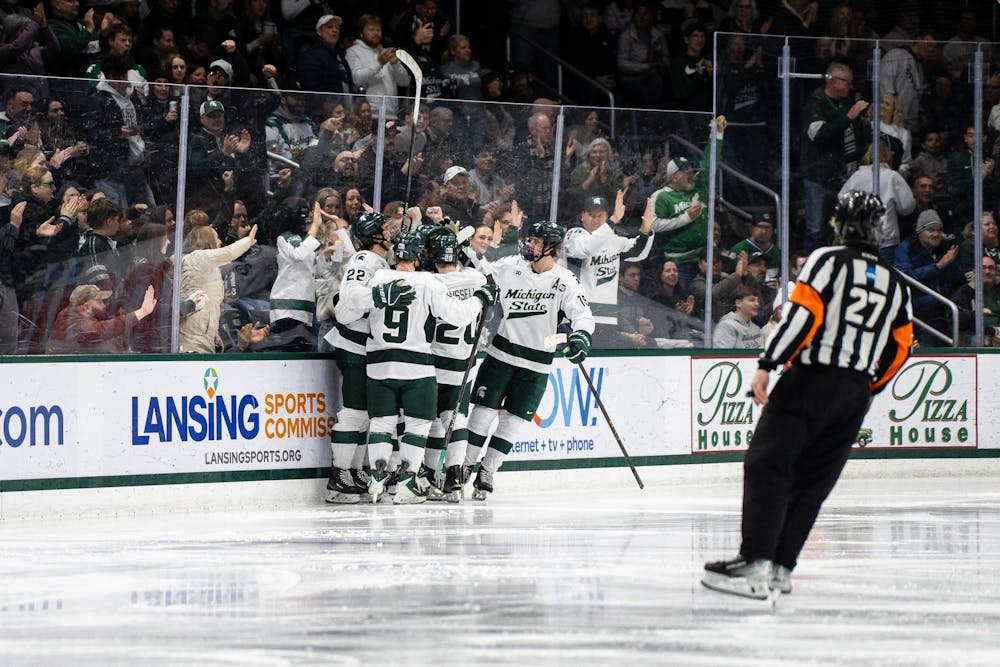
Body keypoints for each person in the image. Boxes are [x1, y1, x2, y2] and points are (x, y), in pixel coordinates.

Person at [702, 191, 913, 600]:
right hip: (853, 394)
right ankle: (781, 568)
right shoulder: (895, 282)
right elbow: (900, 346)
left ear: (839, 223)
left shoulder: (826, 260)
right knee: (813, 482)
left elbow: (804, 317)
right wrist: (870, 388)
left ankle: (756, 561)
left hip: (811, 378)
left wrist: (768, 363)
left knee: (767, 463)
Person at [350, 230, 496, 504]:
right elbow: (458, 314)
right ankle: (407, 485)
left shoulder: (379, 277)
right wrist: (481, 299)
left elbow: (350, 302)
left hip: (379, 364)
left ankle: (376, 483)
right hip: (417, 365)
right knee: (419, 425)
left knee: (382, 423)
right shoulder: (429, 282)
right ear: (419, 255)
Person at [463, 221, 595, 500]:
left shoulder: (565, 281)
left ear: (553, 249)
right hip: (501, 355)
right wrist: (466, 250)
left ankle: (487, 470)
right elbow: (482, 272)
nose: (530, 245)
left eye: (537, 241)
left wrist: (581, 338)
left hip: (536, 364)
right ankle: (464, 466)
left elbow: (583, 316)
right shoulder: (512, 266)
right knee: (482, 414)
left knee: (513, 421)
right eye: (530, 240)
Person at [324, 211, 398, 504]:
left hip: (369, 348)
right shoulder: (364, 260)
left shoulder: (381, 261)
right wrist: (382, 297)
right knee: (354, 413)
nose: (392, 231)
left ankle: (353, 471)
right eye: (386, 228)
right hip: (354, 346)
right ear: (375, 236)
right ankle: (338, 475)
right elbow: (352, 297)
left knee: (366, 416)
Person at [564, 194, 653, 348]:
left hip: (607, 316)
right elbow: (586, 248)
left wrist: (646, 230)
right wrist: (612, 221)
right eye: (591, 215)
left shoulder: (612, 239)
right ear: (582, 216)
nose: (596, 220)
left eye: (600, 216)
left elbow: (638, 252)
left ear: (605, 216)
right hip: (579, 315)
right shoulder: (575, 236)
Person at [800, 61, 869, 251]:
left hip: (844, 176)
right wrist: (849, 116)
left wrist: (863, 121)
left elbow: (852, 134)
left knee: (843, 228)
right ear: (834, 81)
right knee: (815, 228)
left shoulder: (845, 102)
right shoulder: (815, 103)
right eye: (847, 82)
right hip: (819, 177)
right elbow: (819, 135)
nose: (851, 87)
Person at [649, 115, 726, 280]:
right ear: (674, 177)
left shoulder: (697, 187)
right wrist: (685, 218)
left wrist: (717, 135)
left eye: (691, 170)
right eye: (686, 172)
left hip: (704, 259)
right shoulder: (661, 197)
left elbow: (708, 165)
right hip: (678, 262)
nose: (691, 174)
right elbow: (652, 225)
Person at [178, 223, 258, 353]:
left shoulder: (211, 268)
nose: (220, 241)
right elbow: (227, 253)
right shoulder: (196, 258)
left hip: (206, 335)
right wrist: (248, 241)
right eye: (217, 237)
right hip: (193, 337)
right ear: (207, 239)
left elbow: (214, 303)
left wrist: (215, 333)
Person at [894, 210, 965, 343]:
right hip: (914, 302)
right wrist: (938, 266)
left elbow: (960, 279)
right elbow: (904, 279)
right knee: (934, 303)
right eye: (931, 230)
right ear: (920, 231)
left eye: (939, 230)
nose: (936, 234)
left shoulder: (944, 248)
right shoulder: (905, 249)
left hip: (943, 303)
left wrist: (951, 262)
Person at [838, 139, 915, 264]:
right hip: (886, 239)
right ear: (889, 154)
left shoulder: (856, 176)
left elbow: (842, 200)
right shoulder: (892, 176)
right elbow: (907, 207)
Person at [46, 283, 157, 354]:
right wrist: (143, 312)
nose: (104, 305)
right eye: (99, 302)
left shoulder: (86, 319)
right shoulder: (70, 322)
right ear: (87, 307)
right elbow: (100, 330)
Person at [345, 14, 410, 119]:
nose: (375, 33)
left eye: (378, 30)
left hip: (391, 114)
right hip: (367, 115)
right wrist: (379, 64)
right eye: (371, 30)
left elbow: (405, 82)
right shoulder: (353, 51)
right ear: (361, 33)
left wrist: (395, 63)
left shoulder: (386, 53)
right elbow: (356, 79)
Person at [712, 284, 763, 349]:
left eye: (757, 300)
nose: (757, 304)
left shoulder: (756, 329)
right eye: (752, 300)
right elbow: (722, 356)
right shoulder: (726, 326)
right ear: (738, 303)